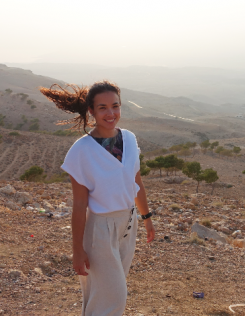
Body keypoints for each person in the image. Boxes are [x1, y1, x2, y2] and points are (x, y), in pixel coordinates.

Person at [40, 80, 155, 316]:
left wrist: (147, 217)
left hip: (128, 223)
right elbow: (80, 205)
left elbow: (136, 182)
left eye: (115, 106)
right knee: (114, 297)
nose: (110, 113)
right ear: (91, 111)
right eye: (102, 108)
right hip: (100, 229)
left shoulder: (130, 139)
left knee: (103, 294)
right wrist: (77, 250)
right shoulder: (81, 150)